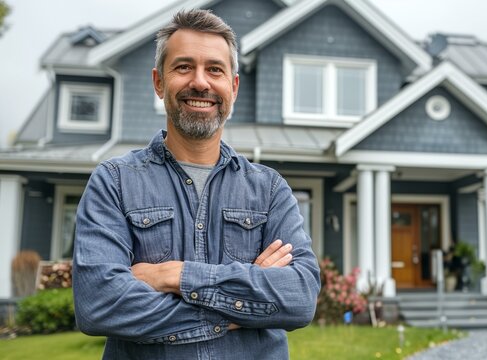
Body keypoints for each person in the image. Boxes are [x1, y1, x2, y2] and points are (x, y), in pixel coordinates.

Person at [72, 9, 321, 359]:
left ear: (232, 87)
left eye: (215, 69)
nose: (201, 82)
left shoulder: (269, 189)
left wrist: (176, 276)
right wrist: (242, 307)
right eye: (184, 67)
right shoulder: (115, 181)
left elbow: (299, 297)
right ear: (159, 82)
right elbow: (99, 304)